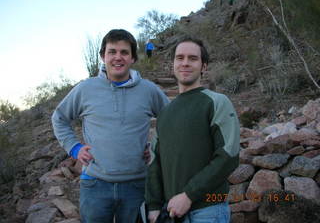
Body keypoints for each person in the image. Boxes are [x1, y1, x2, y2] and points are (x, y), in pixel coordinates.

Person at [52, 29, 169, 223]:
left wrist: (156, 147)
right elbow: (59, 117)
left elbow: (172, 121)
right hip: (95, 185)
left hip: (137, 185)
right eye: (112, 52)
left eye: (124, 52)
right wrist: (74, 148)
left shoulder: (149, 90)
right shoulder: (85, 89)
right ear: (102, 57)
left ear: (132, 58)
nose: (118, 57)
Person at [146, 36, 240, 223]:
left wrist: (188, 195)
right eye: (180, 58)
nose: (185, 63)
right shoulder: (164, 113)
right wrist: (154, 205)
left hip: (208, 211)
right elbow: (155, 162)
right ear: (173, 64)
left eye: (193, 58)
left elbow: (228, 156)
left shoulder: (216, 102)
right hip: (170, 213)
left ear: (204, 67)